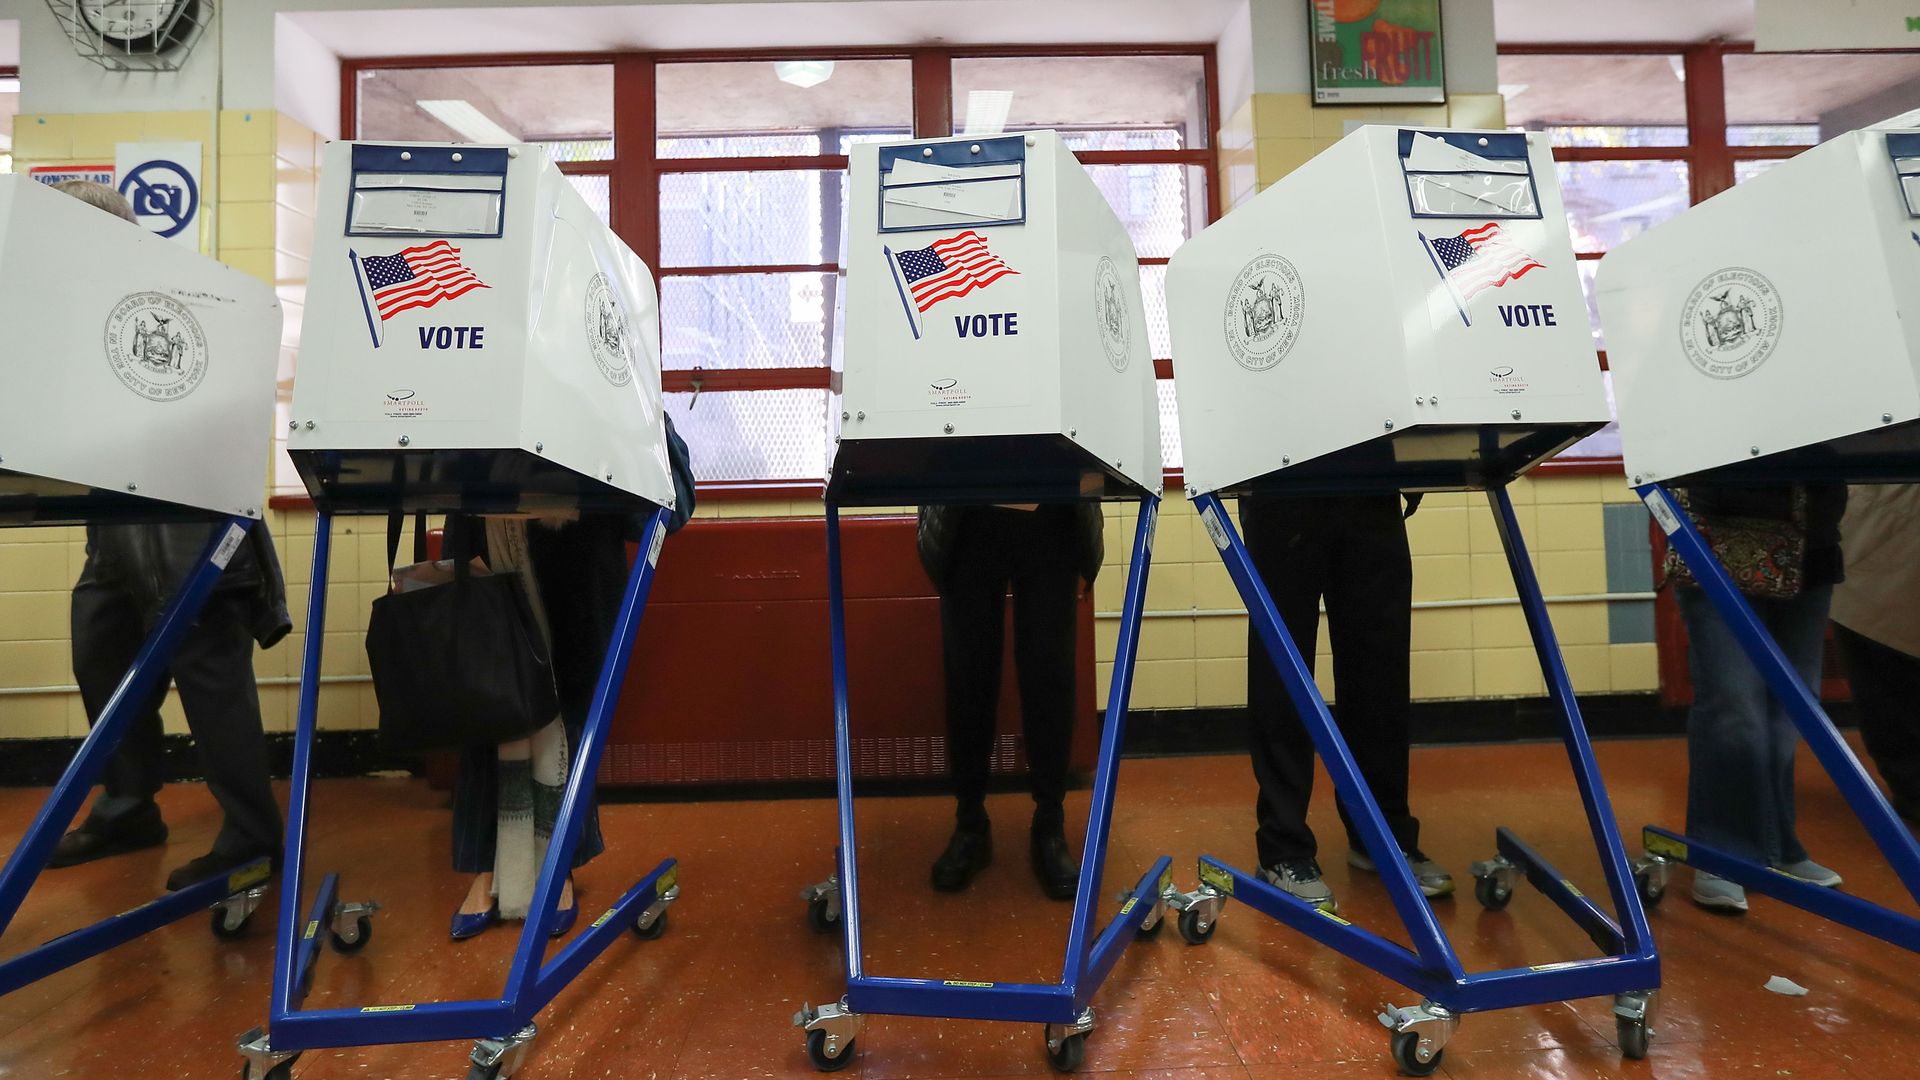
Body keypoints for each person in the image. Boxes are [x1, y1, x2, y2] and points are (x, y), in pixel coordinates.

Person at [45, 181, 290, 889]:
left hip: (190, 529)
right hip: (115, 531)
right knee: (98, 657)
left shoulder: (177, 303)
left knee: (212, 687)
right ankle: (128, 807)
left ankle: (251, 837)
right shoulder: (64, 314)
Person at [447, 421, 694, 941]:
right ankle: (483, 869)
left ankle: (559, 863)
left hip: (578, 553)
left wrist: (642, 429)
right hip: (488, 531)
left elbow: (672, 500)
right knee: (481, 702)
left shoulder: (608, 348)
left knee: (571, 713)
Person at [1240, 493, 1451, 914]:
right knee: (1283, 669)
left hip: (1371, 477)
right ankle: (1284, 849)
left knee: (1380, 668)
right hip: (1280, 479)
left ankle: (1382, 836)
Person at [1666, 482, 1848, 912]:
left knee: (1792, 710)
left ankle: (1778, 848)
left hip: (1810, 541)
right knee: (1734, 706)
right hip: (1720, 538)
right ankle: (1722, 856)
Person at [917, 502, 1103, 900]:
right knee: (968, 675)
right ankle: (970, 822)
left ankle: (1050, 824)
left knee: (1050, 675)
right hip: (968, 510)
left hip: (1052, 508)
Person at [1829, 484, 1920, 827]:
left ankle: (1911, 789)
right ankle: (1912, 790)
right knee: (1885, 683)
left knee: (1885, 686)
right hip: (1877, 537)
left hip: (1877, 534)